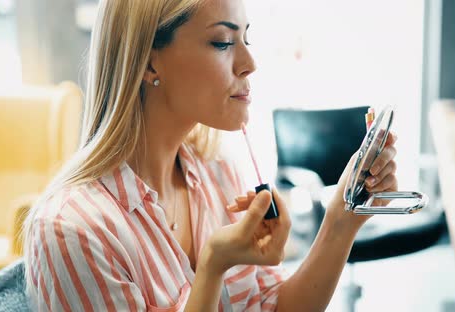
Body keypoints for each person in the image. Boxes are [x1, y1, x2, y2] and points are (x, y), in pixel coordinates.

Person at [22, 0, 399, 311]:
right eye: (222, 42)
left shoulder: (219, 172)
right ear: (150, 63)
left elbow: (273, 307)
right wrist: (212, 267)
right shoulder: (72, 230)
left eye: (246, 38)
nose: (249, 63)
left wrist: (342, 219)